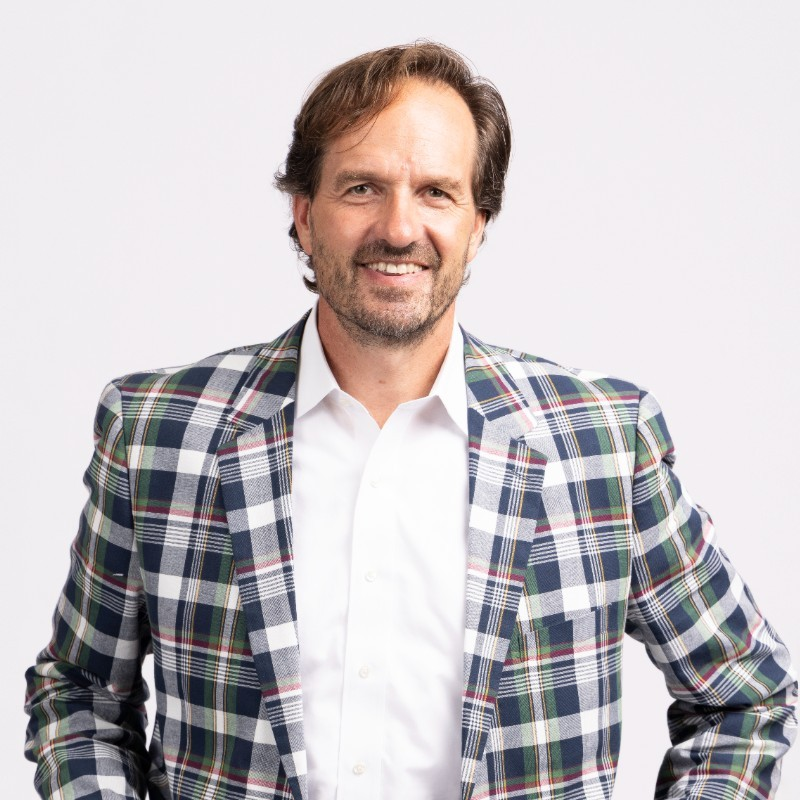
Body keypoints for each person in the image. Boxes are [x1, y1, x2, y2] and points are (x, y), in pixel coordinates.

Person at [25, 41, 796, 800]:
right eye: (362, 188)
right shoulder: (159, 434)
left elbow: (744, 696)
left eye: (436, 192)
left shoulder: (601, 442)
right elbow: (79, 695)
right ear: (304, 214)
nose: (398, 228)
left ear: (479, 221)